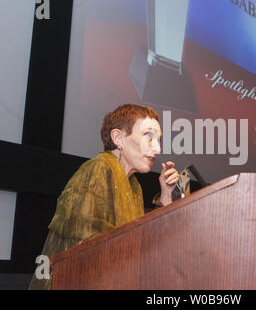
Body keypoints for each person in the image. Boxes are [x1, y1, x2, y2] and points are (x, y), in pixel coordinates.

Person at [28, 104, 179, 289]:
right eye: (148, 137)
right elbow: (87, 252)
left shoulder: (133, 185)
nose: (157, 148)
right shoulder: (98, 170)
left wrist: (165, 195)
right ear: (118, 138)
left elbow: (140, 241)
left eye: (158, 140)